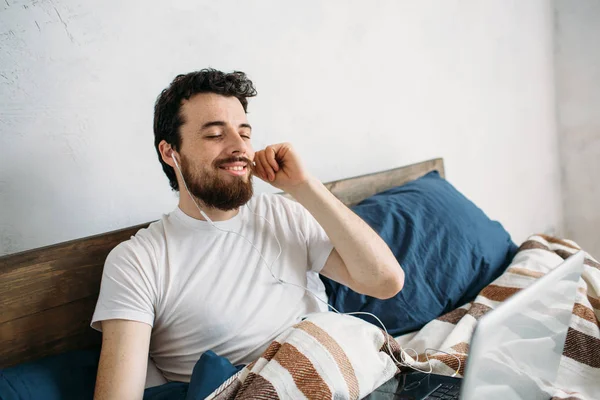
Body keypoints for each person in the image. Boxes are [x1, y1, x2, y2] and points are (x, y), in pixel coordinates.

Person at [91, 68, 404, 399]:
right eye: (215, 135)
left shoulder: (285, 214)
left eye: (244, 133)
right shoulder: (138, 261)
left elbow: (385, 282)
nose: (239, 147)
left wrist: (303, 186)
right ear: (171, 152)